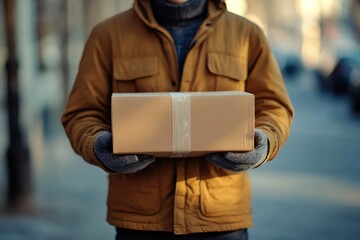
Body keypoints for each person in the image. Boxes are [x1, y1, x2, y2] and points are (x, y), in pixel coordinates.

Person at [61, 0, 294, 239]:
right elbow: (81, 113)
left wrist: (264, 142)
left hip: (220, 218)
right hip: (140, 220)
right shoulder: (107, 35)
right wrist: (99, 145)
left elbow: (275, 106)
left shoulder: (247, 35)